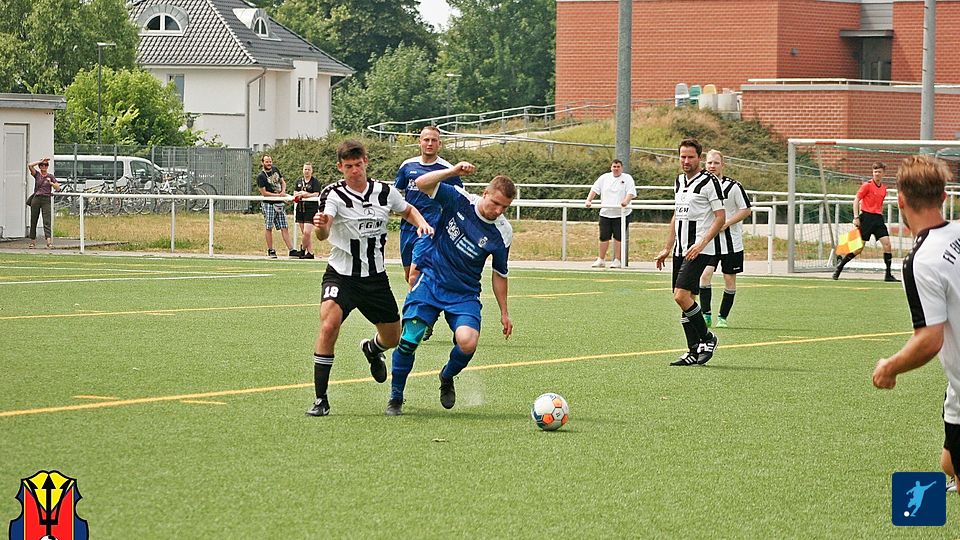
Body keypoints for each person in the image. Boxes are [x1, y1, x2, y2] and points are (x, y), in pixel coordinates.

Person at [305, 140, 433, 417]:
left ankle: (372, 348)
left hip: (375, 278)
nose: (354, 170)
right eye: (348, 166)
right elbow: (323, 233)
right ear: (340, 167)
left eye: (358, 164)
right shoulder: (333, 194)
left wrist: (421, 223)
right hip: (341, 276)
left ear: (366, 162)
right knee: (329, 325)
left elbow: (407, 210)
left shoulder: (384, 191)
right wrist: (321, 227)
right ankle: (320, 399)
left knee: (393, 338)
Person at [386, 162, 515, 416]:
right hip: (431, 280)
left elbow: (500, 273)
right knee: (410, 338)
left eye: (505, 207)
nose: (498, 211)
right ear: (485, 193)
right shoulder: (459, 199)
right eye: (495, 203)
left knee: (468, 342)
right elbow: (422, 184)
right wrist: (453, 172)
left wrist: (504, 312)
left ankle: (447, 375)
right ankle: (396, 396)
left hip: (464, 293)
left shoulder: (503, 232)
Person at [872, 154, 960, 497]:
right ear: (943, 196)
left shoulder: (922, 260)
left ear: (900, 201)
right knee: (948, 463)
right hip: (956, 391)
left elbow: (929, 340)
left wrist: (889, 367)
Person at [655, 138, 725, 366]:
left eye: (690, 157)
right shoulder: (679, 181)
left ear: (699, 158)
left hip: (699, 250)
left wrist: (702, 243)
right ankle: (693, 351)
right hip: (680, 250)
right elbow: (677, 216)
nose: (686, 161)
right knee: (686, 300)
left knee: (681, 296)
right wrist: (667, 247)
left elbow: (720, 217)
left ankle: (708, 338)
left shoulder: (709, 182)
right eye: (682, 157)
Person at [395, 125, 464, 286]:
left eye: (434, 140)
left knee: (415, 276)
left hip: (431, 227)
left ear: (440, 143)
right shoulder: (407, 166)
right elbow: (396, 192)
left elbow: (459, 198)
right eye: (426, 140)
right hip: (408, 227)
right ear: (420, 142)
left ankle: (416, 303)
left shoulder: (447, 169)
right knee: (409, 275)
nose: (430, 143)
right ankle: (429, 299)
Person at [698, 150, 752, 328]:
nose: (712, 166)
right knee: (704, 275)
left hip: (731, 243)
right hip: (709, 242)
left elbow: (746, 210)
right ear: (705, 164)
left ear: (723, 165)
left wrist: (727, 223)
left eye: (716, 163)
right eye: (709, 163)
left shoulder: (734, 186)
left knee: (729, 280)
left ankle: (722, 317)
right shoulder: (700, 185)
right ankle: (706, 314)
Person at [833, 162, 899, 281]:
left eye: (879, 172)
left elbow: (879, 205)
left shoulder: (883, 189)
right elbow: (856, 200)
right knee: (858, 248)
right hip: (866, 218)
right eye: (875, 172)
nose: (877, 174)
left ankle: (888, 274)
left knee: (887, 244)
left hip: (878, 219)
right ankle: (839, 267)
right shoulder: (867, 185)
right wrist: (856, 217)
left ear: (883, 173)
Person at [585, 159, 637, 268]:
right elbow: (594, 189)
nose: (616, 169)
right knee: (603, 237)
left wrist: (625, 202)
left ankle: (617, 260)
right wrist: (589, 200)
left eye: (618, 167)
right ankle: (601, 259)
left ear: (621, 168)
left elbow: (631, 192)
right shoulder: (604, 178)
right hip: (606, 212)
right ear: (611, 167)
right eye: (614, 166)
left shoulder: (627, 178)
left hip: (621, 214)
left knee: (618, 237)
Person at [256, 155, 296, 259]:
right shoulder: (261, 176)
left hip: (279, 203)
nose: (269, 163)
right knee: (269, 227)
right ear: (262, 163)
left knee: (284, 226)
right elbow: (264, 193)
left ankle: (291, 250)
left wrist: (283, 192)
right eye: (266, 161)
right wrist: (277, 195)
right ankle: (271, 250)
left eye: (270, 161)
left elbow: (283, 182)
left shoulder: (275, 169)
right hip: (269, 204)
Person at [26, 157, 60, 249]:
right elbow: (30, 165)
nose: (44, 166)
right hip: (36, 198)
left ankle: (48, 241)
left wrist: (51, 183)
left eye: (46, 165)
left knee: (47, 220)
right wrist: (40, 161)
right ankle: (32, 241)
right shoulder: (37, 175)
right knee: (34, 219)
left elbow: (58, 188)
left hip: (46, 199)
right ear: (39, 166)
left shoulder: (51, 176)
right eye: (42, 165)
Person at [293, 162, 322, 259]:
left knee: (307, 232)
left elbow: (316, 194)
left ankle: (302, 250)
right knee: (304, 233)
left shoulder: (315, 182)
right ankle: (310, 252)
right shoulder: (299, 181)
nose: (307, 171)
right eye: (305, 169)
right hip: (300, 209)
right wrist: (298, 195)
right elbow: (295, 192)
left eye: (309, 169)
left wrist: (306, 195)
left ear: (311, 171)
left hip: (311, 209)